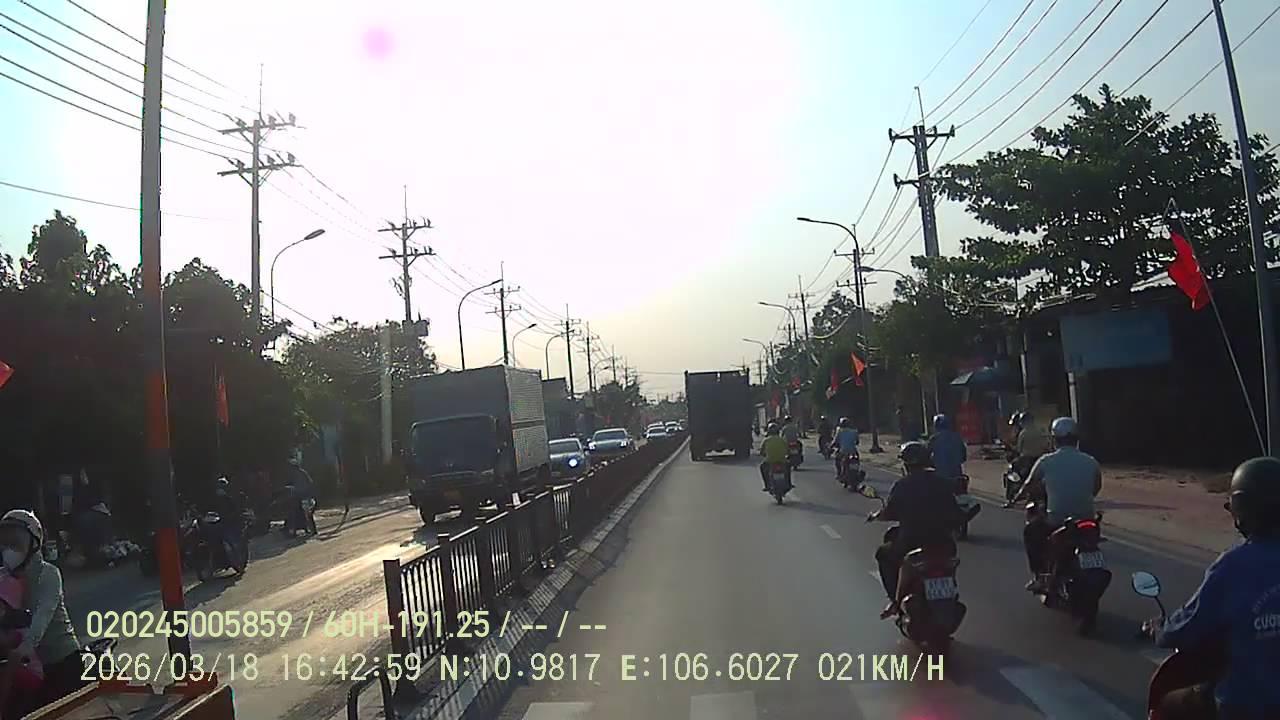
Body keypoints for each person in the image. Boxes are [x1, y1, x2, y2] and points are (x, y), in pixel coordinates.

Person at [1143, 456, 1280, 719]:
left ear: (1242, 509)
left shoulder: (1234, 564)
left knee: (1168, 707)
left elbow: (1189, 624)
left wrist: (1160, 630)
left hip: (1247, 705)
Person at [0, 510, 82, 717]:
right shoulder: (5, 578)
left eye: (16, 542)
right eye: (5, 543)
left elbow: (42, 616)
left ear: (34, 543)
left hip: (61, 662)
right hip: (25, 664)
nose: (9, 549)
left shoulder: (49, 574)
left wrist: (25, 647)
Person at [1006, 417, 1102, 593]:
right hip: (1087, 519)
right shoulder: (1091, 461)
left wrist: (1015, 498)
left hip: (1057, 520)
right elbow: (1095, 488)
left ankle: (1039, 577)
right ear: (1076, 438)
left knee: (1031, 532)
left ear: (1054, 439)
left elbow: (1028, 485)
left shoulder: (1046, 461)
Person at [868, 442, 961, 619]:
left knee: (883, 554)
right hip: (944, 544)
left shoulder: (902, 485)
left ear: (906, 464)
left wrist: (877, 516)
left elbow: (890, 511)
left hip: (911, 543)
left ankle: (894, 601)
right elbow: (956, 513)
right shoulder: (942, 482)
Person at [1010, 411, 1050, 481]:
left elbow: (1019, 449)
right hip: (1040, 457)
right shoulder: (1041, 431)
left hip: (1026, 459)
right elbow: (1047, 445)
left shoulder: (1023, 433)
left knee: (1012, 468)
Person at [928, 414, 968, 483]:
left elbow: (926, 456)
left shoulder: (934, 439)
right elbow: (964, 457)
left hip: (940, 475)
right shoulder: (957, 437)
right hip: (956, 474)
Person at [758, 423, 790, 492]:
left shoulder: (766, 440)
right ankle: (788, 483)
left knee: (762, 467)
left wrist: (763, 454)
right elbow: (787, 450)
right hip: (782, 460)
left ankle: (767, 485)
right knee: (788, 468)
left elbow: (761, 451)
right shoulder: (782, 440)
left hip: (770, 461)